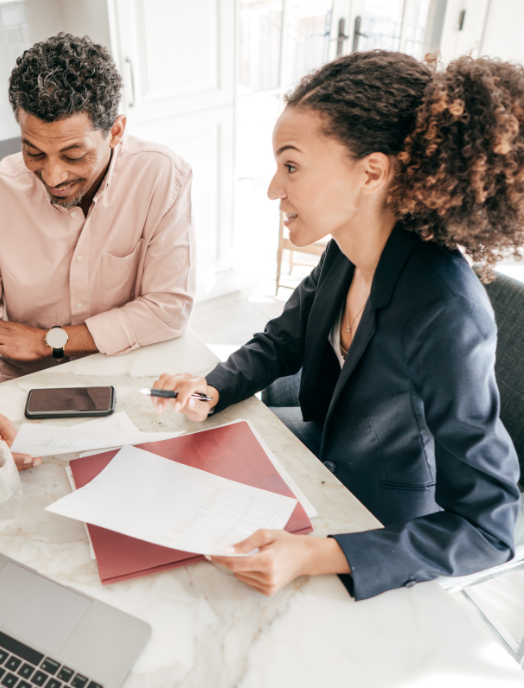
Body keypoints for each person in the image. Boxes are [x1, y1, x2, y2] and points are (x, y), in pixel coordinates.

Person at [151, 51, 522, 601]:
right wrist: (215, 385)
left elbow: (491, 529)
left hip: (380, 524)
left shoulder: (445, 312)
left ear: (371, 171)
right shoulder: (347, 251)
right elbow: (284, 340)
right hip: (319, 460)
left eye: (292, 166)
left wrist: (316, 554)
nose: (274, 189)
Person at [0, 34, 195, 468]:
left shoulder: (161, 176)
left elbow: (168, 307)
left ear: (115, 131)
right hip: (21, 394)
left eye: (74, 154)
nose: (53, 175)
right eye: (33, 152)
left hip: (126, 378)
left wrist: (48, 341)